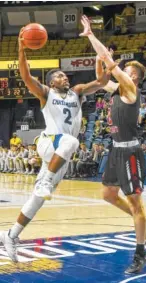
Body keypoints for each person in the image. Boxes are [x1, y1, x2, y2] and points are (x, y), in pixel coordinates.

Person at [0, 27, 110, 263]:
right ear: (51, 81)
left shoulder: (77, 92)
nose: (65, 77)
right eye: (60, 76)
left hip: (62, 155)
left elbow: (102, 81)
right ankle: (46, 181)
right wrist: (21, 48)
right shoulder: (46, 93)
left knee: (37, 200)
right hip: (49, 143)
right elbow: (26, 76)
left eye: (65, 75)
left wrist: (102, 61)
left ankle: (11, 235)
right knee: (71, 140)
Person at [79, 15, 146, 274]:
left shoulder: (131, 92)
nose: (126, 74)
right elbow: (102, 79)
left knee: (136, 205)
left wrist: (91, 35)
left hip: (131, 152)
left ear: (134, 78)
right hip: (116, 150)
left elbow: (111, 66)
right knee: (108, 194)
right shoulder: (118, 90)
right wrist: (102, 63)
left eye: (130, 72)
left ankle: (140, 253)